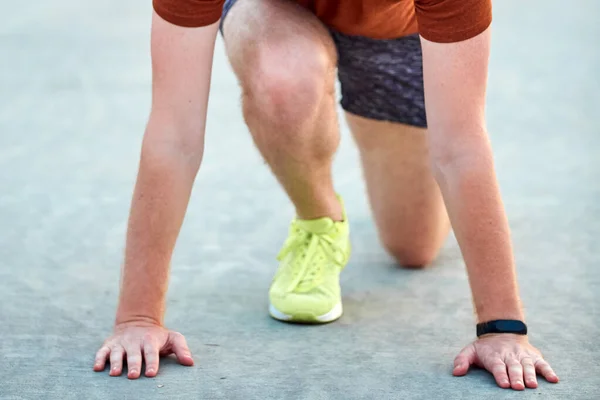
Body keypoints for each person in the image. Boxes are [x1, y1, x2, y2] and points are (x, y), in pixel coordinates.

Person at [93, 0, 559, 390]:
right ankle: (319, 219)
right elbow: (173, 135)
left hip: (395, 35)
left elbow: (460, 148)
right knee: (285, 78)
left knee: (413, 247)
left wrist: (502, 328)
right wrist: (138, 318)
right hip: (275, 16)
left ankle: (362, 116)